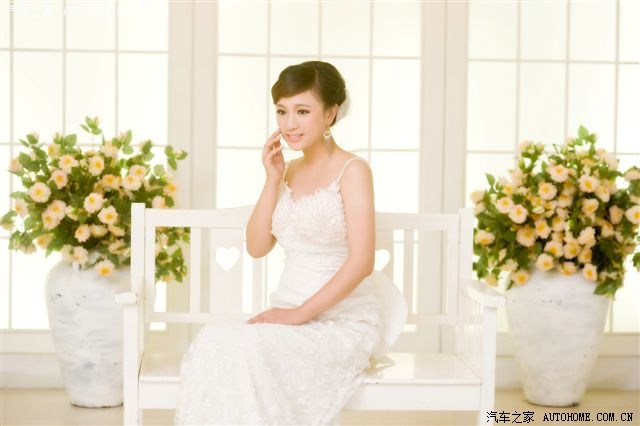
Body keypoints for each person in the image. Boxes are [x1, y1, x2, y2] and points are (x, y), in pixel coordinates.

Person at [174, 61, 407, 425]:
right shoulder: (289, 171)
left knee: (248, 348)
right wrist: (272, 179)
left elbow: (362, 261)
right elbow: (256, 247)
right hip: (285, 315)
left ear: (330, 113)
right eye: (282, 111)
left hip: (339, 322)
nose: (289, 124)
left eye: (302, 111)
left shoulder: (353, 171)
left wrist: (300, 314)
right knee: (214, 339)